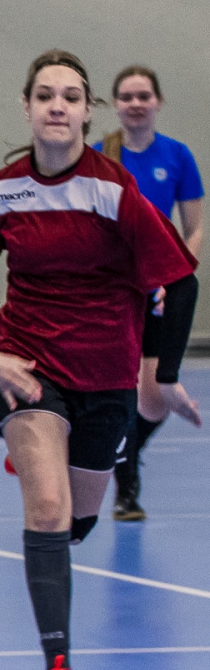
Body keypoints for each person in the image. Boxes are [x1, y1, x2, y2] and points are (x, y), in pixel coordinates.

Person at [0, 50, 196, 670]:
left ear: (88, 112)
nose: (57, 106)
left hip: (108, 376)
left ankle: (43, 461)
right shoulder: (1, 193)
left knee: (79, 522)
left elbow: (182, 281)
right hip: (30, 370)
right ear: (27, 107)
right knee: (48, 510)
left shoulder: (114, 190)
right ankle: (58, 668)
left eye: (71, 97)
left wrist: (166, 377)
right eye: (45, 95)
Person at [95, 65, 205, 519]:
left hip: (160, 289)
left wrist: (172, 279)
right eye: (127, 97)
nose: (136, 104)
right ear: (115, 104)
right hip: (117, 290)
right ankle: (126, 489)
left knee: (155, 399)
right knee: (120, 390)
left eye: (144, 96)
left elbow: (193, 229)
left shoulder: (177, 156)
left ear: (158, 101)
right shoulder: (101, 156)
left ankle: (124, 452)